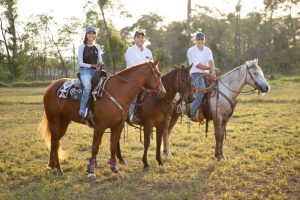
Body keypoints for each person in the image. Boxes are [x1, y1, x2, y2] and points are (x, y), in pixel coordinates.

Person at [187, 32, 217, 122]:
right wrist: (210, 69)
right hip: (195, 74)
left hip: (206, 74)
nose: (200, 41)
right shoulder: (191, 50)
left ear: (204, 40)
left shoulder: (207, 50)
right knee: (202, 89)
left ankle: (213, 110)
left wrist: (213, 71)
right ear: (195, 40)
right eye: (198, 39)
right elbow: (197, 65)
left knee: (217, 87)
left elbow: (211, 61)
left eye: (202, 39)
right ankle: (192, 112)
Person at [125, 30, 153, 123]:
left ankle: (151, 113)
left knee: (156, 90)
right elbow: (132, 66)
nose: (141, 39)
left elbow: (152, 65)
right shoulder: (130, 50)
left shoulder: (148, 52)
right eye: (138, 37)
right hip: (133, 78)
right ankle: (132, 114)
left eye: (142, 37)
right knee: (136, 92)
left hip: (146, 79)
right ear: (134, 39)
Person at [78, 26, 103, 120]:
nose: (91, 35)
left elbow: (100, 60)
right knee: (87, 87)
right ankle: (82, 110)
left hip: (96, 71)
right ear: (86, 35)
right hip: (85, 71)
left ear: (95, 35)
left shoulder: (97, 47)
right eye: (89, 33)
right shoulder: (82, 47)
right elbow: (80, 62)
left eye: (93, 33)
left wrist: (100, 63)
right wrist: (92, 65)